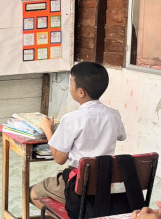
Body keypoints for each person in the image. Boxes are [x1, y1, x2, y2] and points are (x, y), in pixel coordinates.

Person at [29, 61, 126, 208]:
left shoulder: (71, 119)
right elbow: (121, 136)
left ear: (81, 92)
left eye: (71, 82)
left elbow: (59, 159)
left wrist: (48, 129)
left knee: (31, 193)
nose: (69, 86)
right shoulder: (114, 115)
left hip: (77, 186)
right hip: (104, 183)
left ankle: (69, 218)